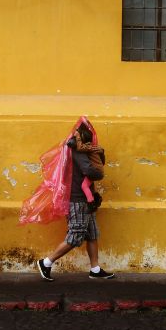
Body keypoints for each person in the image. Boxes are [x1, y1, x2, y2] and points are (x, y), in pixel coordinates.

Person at [36, 119, 115, 281]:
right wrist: (99, 173)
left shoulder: (80, 148)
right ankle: (46, 262)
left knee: (92, 233)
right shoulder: (76, 150)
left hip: (86, 200)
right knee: (76, 235)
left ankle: (95, 269)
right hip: (77, 199)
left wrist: (99, 154)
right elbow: (89, 170)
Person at [71, 123, 105, 204]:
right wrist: (102, 152)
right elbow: (102, 162)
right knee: (88, 184)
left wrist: (77, 136)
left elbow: (79, 148)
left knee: (84, 186)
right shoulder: (93, 146)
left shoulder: (88, 147)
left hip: (96, 171)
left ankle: (91, 202)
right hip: (98, 170)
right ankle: (95, 198)